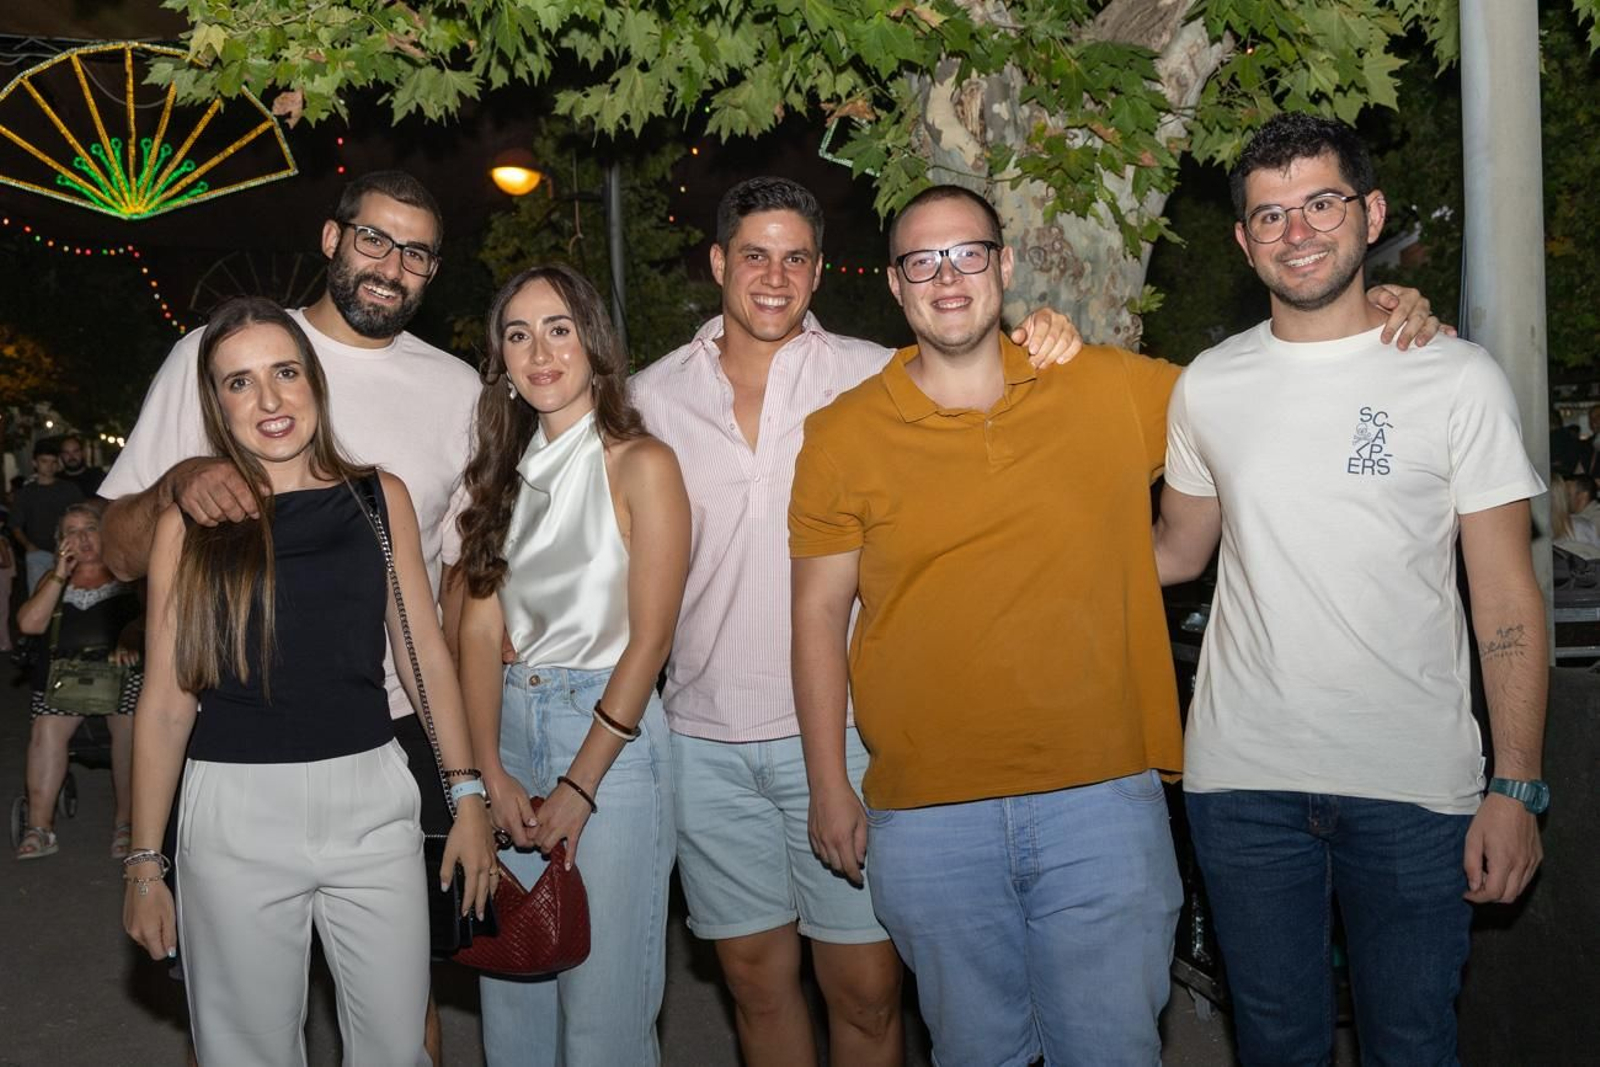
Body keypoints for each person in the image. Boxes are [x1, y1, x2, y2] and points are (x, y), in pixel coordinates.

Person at [630, 175, 1092, 1066]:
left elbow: (997, 396)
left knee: (870, 995)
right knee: (756, 987)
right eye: (755, 255)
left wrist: (1053, 336)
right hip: (702, 737)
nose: (775, 276)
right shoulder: (650, 397)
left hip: (847, 737)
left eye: (795, 257)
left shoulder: (877, 374)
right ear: (719, 262)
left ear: (819, 271)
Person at [1153, 112, 1547, 1066]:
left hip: (1417, 785)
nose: (1298, 231)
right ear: (1244, 242)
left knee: (1412, 1043)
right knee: (1276, 1046)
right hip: (1242, 783)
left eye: (1320, 203)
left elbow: (1504, 595)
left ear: (1369, 213)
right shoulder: (1207, 384)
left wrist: (1520, 784)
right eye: (1270, 215)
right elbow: (1174, 554)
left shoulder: (1455, 377)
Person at [788, 183, 1204, 1065]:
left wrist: (1383, 308)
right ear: (896, 287)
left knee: (1114, 1050)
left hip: (1103, 801)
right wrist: (829, 780)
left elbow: (1259, 392)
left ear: (1004, 267)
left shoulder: (1108, 388)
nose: (948, 278)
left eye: (968, 253)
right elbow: (820, 612)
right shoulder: (840, 434)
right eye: (922, 262)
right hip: (928, 819)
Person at [98, 170, 476, 1063]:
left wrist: (466, 792)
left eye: (284, 374)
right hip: (233, 805)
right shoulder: (193, 519)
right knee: (245, 1048)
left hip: (376, 784)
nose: (268, 399)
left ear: (314, 382)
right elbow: (164, 698)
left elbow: (427, 645)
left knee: (401, 1042)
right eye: (239, 385)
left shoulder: (381, 492)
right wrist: (144, 862)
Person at [454, 264, 690, 1065]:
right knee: (513, 1001)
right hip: (510, 733)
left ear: (593, 342)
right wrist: (490, 774)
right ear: (501, 362)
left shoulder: (642, 462)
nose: (539, 351)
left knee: (605, 1024)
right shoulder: (497, 479)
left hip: (611, 743)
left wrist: (583, 782)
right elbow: (480, 638)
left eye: (558, 328)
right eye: (517, 335)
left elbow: (650, 640)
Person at [13, 501, 142, 860]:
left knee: (131, 725)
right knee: (46, 726)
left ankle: (126, 823)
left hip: (121, 676)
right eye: (72, 531)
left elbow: (155, 618)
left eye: (90, 528)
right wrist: (59, 572)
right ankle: (40, 827)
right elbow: (29, 625)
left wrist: (130, 636)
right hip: (66, 678)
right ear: (61, 542)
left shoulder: (128, 575)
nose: (83, 537)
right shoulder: (55, 579)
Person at [9, 440, 85, 591]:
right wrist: (28, 546)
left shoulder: (69, 489)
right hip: (39, 553)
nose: (49, 466)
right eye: (44, 461)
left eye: (53, 462)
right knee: (39, 595)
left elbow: (81, 516)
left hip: (68, 551)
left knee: (69, 596)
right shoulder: (26, 493)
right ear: (35, 463)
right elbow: (15, 524)